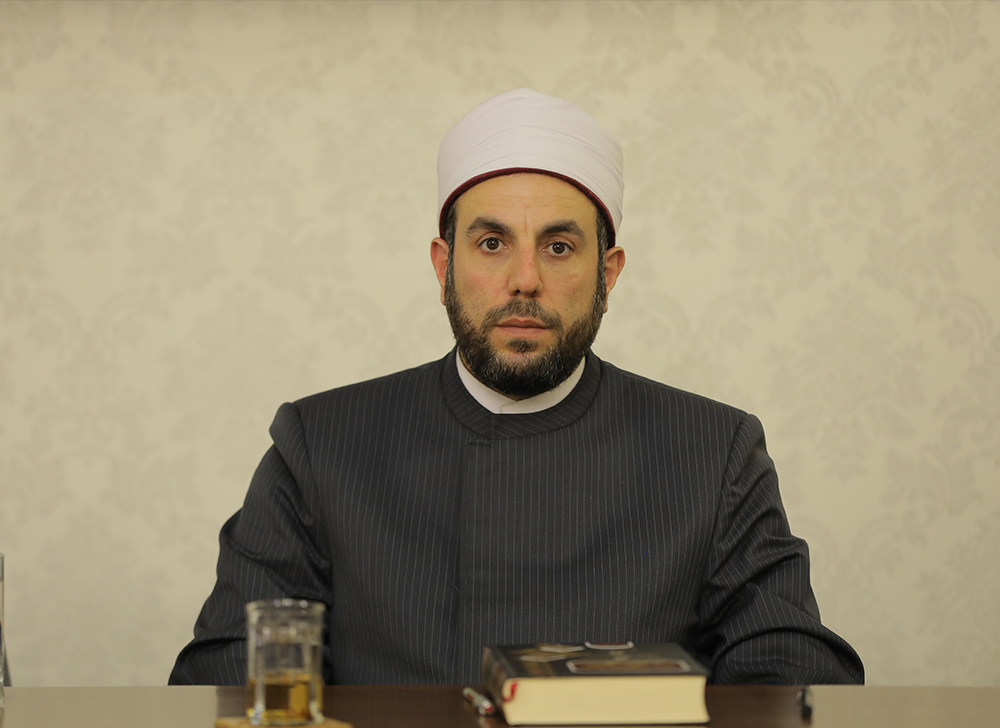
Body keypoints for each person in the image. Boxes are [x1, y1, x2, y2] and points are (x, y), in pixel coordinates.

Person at [170, 89, 864, 687]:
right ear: (443, 265)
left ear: (608, 272)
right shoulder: (320, 446)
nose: (524, 279)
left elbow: (792, 670)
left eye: (558, 247)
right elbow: (228, 673)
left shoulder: (713, 452)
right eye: (492, 243)